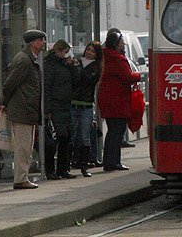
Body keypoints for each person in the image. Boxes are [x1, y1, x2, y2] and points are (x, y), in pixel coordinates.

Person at [0, 29, 45, 190]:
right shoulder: (24, 60)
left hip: (27, 110)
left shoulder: (28, 59)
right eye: (41, 40)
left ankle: (23, 177)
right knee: (23, 147)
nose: (43, 43)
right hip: (23, 109)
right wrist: (3, 101)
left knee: (26, 147)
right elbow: (9, 83)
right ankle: (20, 179)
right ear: (32, 43)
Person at [97, 28, 140, 172]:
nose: (123, 45)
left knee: (112, 131)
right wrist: (138, 75)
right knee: (117, 132)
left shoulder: (106, 57)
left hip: (109, 100)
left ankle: (109, 161)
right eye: (122, 42)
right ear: (116, 44)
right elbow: (127, 77)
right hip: (118, 101)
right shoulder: (118, 59)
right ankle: (113, 162)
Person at [43, 40, 77, 180]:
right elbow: (47, 87)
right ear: (58, 50)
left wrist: (72, 66)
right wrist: (47, 109)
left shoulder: (65, 65)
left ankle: (63, 169)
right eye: (64, 52)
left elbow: (76, 80)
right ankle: (51, 170)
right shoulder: (50, 65)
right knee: (55, 139)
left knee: (66, 138)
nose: (66, 55)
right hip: (56, 106)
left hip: (65, 105)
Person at [71, 41, 102, 176]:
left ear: (96, 55)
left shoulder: (96, 68)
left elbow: (89, 80)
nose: (89, 52)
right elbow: (74, 80)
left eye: (92, 51)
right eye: (88, 50)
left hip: (86, 106)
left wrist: (79, 68)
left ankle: (84, 166)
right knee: (70, 136)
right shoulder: (77, 63)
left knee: (85, 136)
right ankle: (70, 163)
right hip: (73, 103)